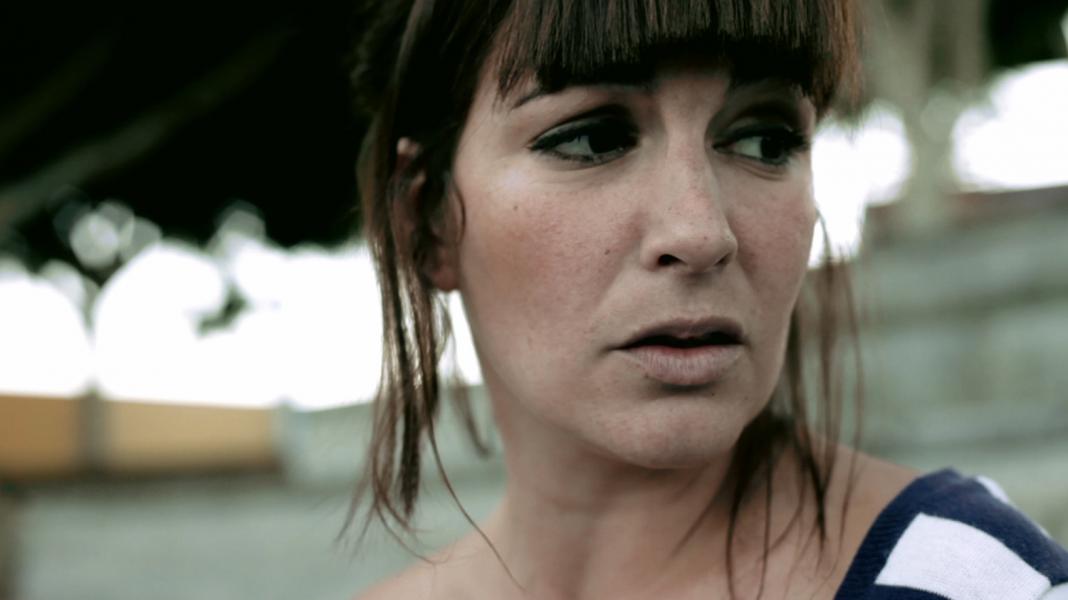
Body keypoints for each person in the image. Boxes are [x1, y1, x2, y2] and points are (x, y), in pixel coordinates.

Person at [347, 1, 1068, 598]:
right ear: (425, 222)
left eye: (764, 141)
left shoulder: (975, 582)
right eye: (591, 140)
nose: (701, 232)